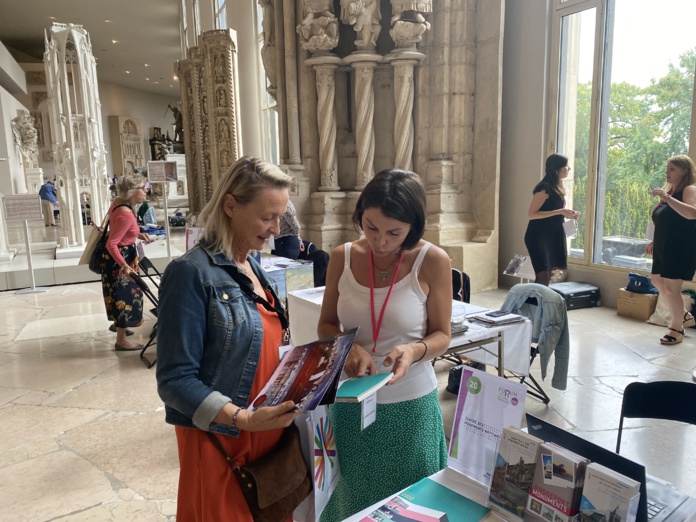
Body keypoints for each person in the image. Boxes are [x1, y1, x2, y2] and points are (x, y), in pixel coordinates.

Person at [155, 156, 302, 521]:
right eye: (267, 217)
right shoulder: (189, 273)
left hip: (264, 432)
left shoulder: (251, 264)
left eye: (280, 217)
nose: (275, 229)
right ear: (231, 205)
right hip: (222, 437)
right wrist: (243, 419)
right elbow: (174, 381)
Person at [317, 168, 452, 521]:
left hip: (410, 406)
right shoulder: (341, 257)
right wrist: (350, 347)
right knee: (352, 499)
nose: (380, 242)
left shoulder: (432, 261)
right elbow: (327, 324)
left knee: (411, 504)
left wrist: (413, 350)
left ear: (414, 226)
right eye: (371, 226)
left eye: (394, 232)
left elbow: (442, 334)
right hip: (352, 403)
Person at [645, 155, 696, 345]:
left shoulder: (689, 189)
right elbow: (662, 221)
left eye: (672, 169)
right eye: (667, 169)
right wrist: (653, 241)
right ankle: (683, 314)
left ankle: (677, 328)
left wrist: (666, 197)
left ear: (685, 171)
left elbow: (691, 213)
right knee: (657, 280)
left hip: (681, 246)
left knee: (672, 287)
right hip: (664, 245)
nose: (667, 173)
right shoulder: (671, 192)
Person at [100, 174, 152, 351]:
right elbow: (111, 243)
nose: (146, 190)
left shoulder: (118, 202)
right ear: (131, 192)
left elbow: (117, 228)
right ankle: (121, 340)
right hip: (120, 260)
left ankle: (121, 327)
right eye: (142, 187)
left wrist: (136, 234)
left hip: (117, 258)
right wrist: (125, 266)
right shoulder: (126, 214)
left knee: (118, 295)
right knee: (126, 297)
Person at [524, 153, 580, 286]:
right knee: (542, 275)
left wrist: (568, 214)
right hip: (539, 235)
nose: (569, 168)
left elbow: (553, 212)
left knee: (549, 274)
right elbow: (532, 214)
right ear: (557, 169)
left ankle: (539, 304)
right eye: (566, 166)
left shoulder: (557, 188)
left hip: (552, 234)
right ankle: (533, 304)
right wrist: (560, 211)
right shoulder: (545, 188)